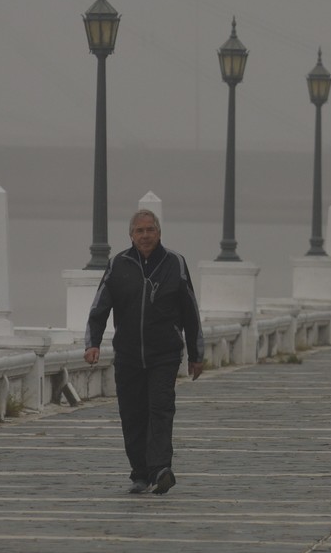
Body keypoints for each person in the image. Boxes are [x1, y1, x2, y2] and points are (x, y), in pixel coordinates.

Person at [84, 209, 205, 496]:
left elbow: (191, 311)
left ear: (159, 232)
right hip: (127, 355)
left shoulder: (175, 263)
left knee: (161, 409)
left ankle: (161, 469)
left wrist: (196, 354)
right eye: (140, 231)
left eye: (150, 229)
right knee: (132, 414)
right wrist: (93, 343)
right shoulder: (118, 264)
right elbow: (100, 307)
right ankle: (140, 473)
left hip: (164, 354)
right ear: (131, 235)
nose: (146, 235)